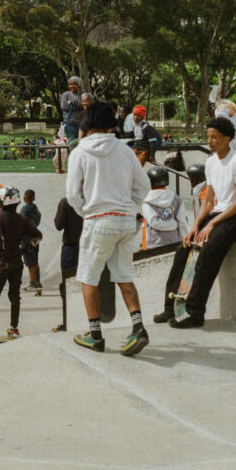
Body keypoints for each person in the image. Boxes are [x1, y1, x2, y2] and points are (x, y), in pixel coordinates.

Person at [66, 101, 151, 356]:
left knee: (88, 277)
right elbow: (144, 186)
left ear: (86, 124)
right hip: (125, 221)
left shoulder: (79, 152)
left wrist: (87, 212)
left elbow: (73, 196)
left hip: (98, 220)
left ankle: (95, 335)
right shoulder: (125, 150)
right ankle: (138, 328)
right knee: (123, 274)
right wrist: (130, 207)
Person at [171, 117, 236, 330]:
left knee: (208, 252)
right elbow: (208, 201)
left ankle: (195, 313)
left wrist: (211, 225)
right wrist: (195, 226)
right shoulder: (211, 162)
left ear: (227, 138)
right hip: (216, 214)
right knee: (183, 249)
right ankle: (171, 307)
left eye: (214, 137)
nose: (210, 141)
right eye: (208, 137)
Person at [0, 186, 40, 339]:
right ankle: (14, 328)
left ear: (0, 201)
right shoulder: (21, 219)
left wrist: (1, 256)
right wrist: (24, 249)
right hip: (17, 262)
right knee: (14, 295)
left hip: (2, 262)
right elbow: (37, 235)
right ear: (17, 202)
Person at [154, 163, 206, 324]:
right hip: (197, 232)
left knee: (195, 269)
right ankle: (170, 309)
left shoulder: (204, 191)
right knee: (180, 256)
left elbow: (207, 211)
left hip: (204, 233)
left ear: (192, 179)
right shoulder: (199, 190)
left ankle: (185, 311)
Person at [52, 195, 84, 332]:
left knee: (68, 283)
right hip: (88, 246)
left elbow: (59, 225)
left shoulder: (66, 202)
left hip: (71, 247)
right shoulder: (90, 198)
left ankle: (69, 321)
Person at [19, 189, 43, 290]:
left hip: (27, 238)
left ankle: (33, 282)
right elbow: (38, 220)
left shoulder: (24, 210)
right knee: (35, 259)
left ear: (24, 198)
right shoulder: (36, 210)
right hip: (35, 237)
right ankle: (37, 281)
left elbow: (21, 224)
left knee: (29, 261)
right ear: (34, 198)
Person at [59, 76, 84, 142]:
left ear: (78, 85)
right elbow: (64, 107)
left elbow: (83, 105)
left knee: (83, 142)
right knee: (72, 142)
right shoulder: (65, 95)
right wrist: (77, 105)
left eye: (74, 84)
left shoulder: (83, 94)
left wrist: (71, 103)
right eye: (70, 84)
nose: (72, 86)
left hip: (82, 123)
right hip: (70, 124)